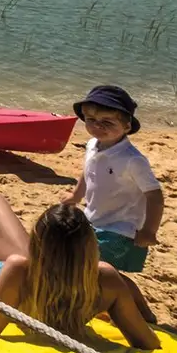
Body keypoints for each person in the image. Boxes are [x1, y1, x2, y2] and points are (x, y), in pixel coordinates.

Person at [0, 186, 159, 350]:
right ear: (89, 247)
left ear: (38, 244)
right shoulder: (104, 277)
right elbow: (146, 341)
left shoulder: (20, 268)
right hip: (27, 280)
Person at [59, 84, 164, 274]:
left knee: (99, 270)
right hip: (94, 220)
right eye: (91, 119)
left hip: (121, 229)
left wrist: (149, 230)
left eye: (107, 122)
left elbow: (154, 195)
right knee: (85, 265)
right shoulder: (92, 145)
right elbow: (88, 170)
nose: (97, 126)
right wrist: (76, 195)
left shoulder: (132, 160)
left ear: (127, 126)